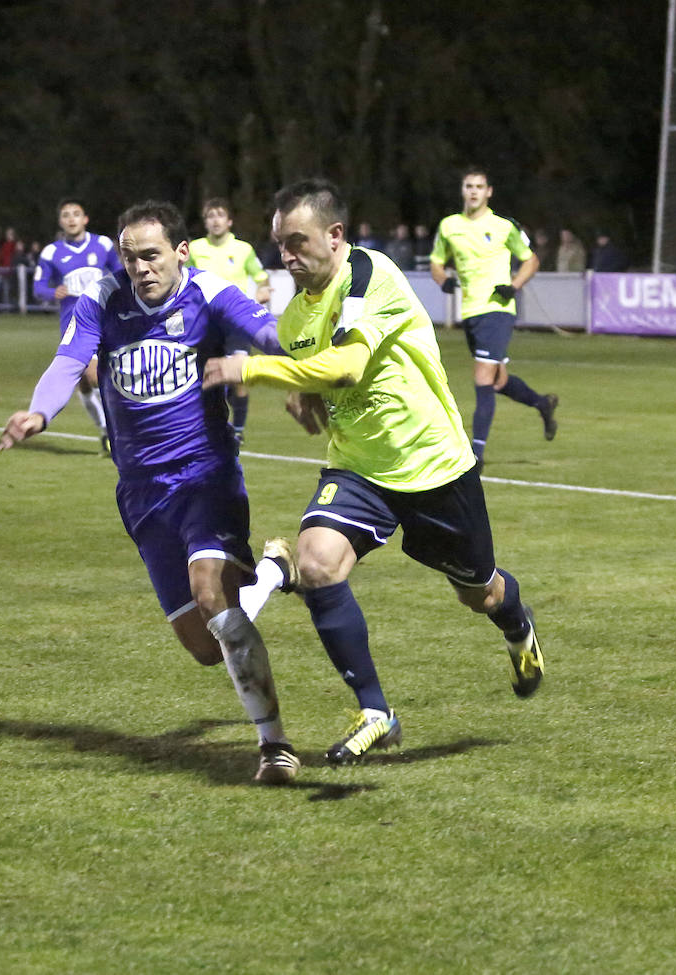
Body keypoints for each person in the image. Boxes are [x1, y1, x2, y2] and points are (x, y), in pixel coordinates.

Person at [203, 177, 545, 764]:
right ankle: (376, 711)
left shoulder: (370, 275)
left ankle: (519, 629)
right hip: (359, 470)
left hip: (433, 464)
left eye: (298, 241)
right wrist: (302, 393)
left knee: (479, 593)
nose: (286, 256)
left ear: (335, 236)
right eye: (279, 244)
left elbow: (347, 366)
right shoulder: (292, 321)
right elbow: (318, 376)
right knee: (316, 564)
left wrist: (252, 369)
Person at [0, 200, 302, 785]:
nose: (139, 267)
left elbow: (268, 331)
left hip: (204, 475)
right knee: (206, 647)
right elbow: (68, 359)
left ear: (180, 252)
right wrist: (40, 412)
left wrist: (302, 372)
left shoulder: (209, 292)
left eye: (151, 254)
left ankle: (274, 746)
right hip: (140, 490)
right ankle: (270, 572)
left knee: (210, 595)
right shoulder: (103, 299)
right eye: (130, 256)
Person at [430, 166, 557, 460]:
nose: (473, 191)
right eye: (468, 186)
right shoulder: (449, 226)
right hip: (470, 312)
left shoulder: (504, 226)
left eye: (479, 186)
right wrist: (443, 280)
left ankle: (476, 455)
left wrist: (514, 286)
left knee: (482, 378)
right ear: (463, 191)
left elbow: (531, 260)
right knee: (498, 380)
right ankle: (542, 404)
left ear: (489, 192)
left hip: (497, 311)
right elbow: (436, 262)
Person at [31, 198, 123, 453]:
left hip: (107, 317)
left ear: (85, 219)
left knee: (94, 376)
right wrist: (52, 292)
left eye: (76, 214)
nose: (71, 218)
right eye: (66, 215)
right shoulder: (52, 252)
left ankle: (118, 429)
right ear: (60, 222)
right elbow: (38, 286)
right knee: (86, 380)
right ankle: (108, 431)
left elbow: (121, 274)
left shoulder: (102, 244)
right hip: (74, 324)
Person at [186, 197, 272, 445]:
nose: (215, 220)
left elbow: (262, 277)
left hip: (237, 321)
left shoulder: (243, 249)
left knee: (238, 375)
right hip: (206, 322)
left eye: (219, 215)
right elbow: (184, 277)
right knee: (210, 375)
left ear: (229, 220)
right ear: (205, 221)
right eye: (210, 216)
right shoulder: (196, 249)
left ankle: (238, 429)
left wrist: (263, 291)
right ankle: (214, 426)